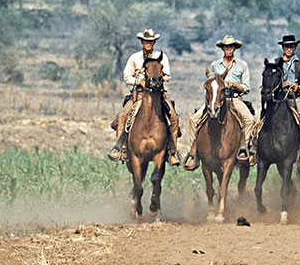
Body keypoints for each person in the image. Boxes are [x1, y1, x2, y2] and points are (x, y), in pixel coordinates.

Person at [108, 29, 180, 164]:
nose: (148, 43)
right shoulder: (134, 58)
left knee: (174, 118)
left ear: (154, 42)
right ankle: (121, 148)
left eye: (151, 41)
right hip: (139, 94)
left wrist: (158, 79)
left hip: (158, 94)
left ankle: (172, 151)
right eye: (146, 41)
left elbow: (168, 76)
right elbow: (127, 76)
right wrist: (139, 81)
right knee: (123, 115)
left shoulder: (161, 57)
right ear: (142, 42)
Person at [188, 35, 255, 166]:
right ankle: (194, 152)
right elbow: (210, 83)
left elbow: (246, 87)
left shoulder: (242, 65)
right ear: (222, 48)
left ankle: (244, 148)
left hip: (234, 99)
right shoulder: (214, 65)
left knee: (249, 120)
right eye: (226, 47)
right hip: (216, 99)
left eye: (230, 47)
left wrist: (235, 85)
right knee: (193, 120)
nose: (228, 49)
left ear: (234, 48)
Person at [273, 34, 300, 168]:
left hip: (296, 98)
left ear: (295, 47)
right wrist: (281, 85)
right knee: (261, 119)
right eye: (286, 46)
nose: (289, 49)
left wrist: (298, 87)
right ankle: (256, 150)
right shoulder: (276, 62)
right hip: (280, 99)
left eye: (291, 46)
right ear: (283, 47)